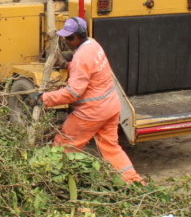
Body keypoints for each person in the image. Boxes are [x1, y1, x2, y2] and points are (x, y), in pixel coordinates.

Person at [29, 16, 144, 184]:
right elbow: (89, 70)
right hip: (110, 106)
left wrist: (43, 98)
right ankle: (134, 182)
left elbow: (72, 93)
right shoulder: (94, 45)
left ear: (76, 38)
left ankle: (50, 183)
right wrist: (68, 65)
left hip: (91, 111)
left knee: (63, 146)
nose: (66, 42)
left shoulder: (81, 57)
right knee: (111, 148)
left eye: (68, 38)